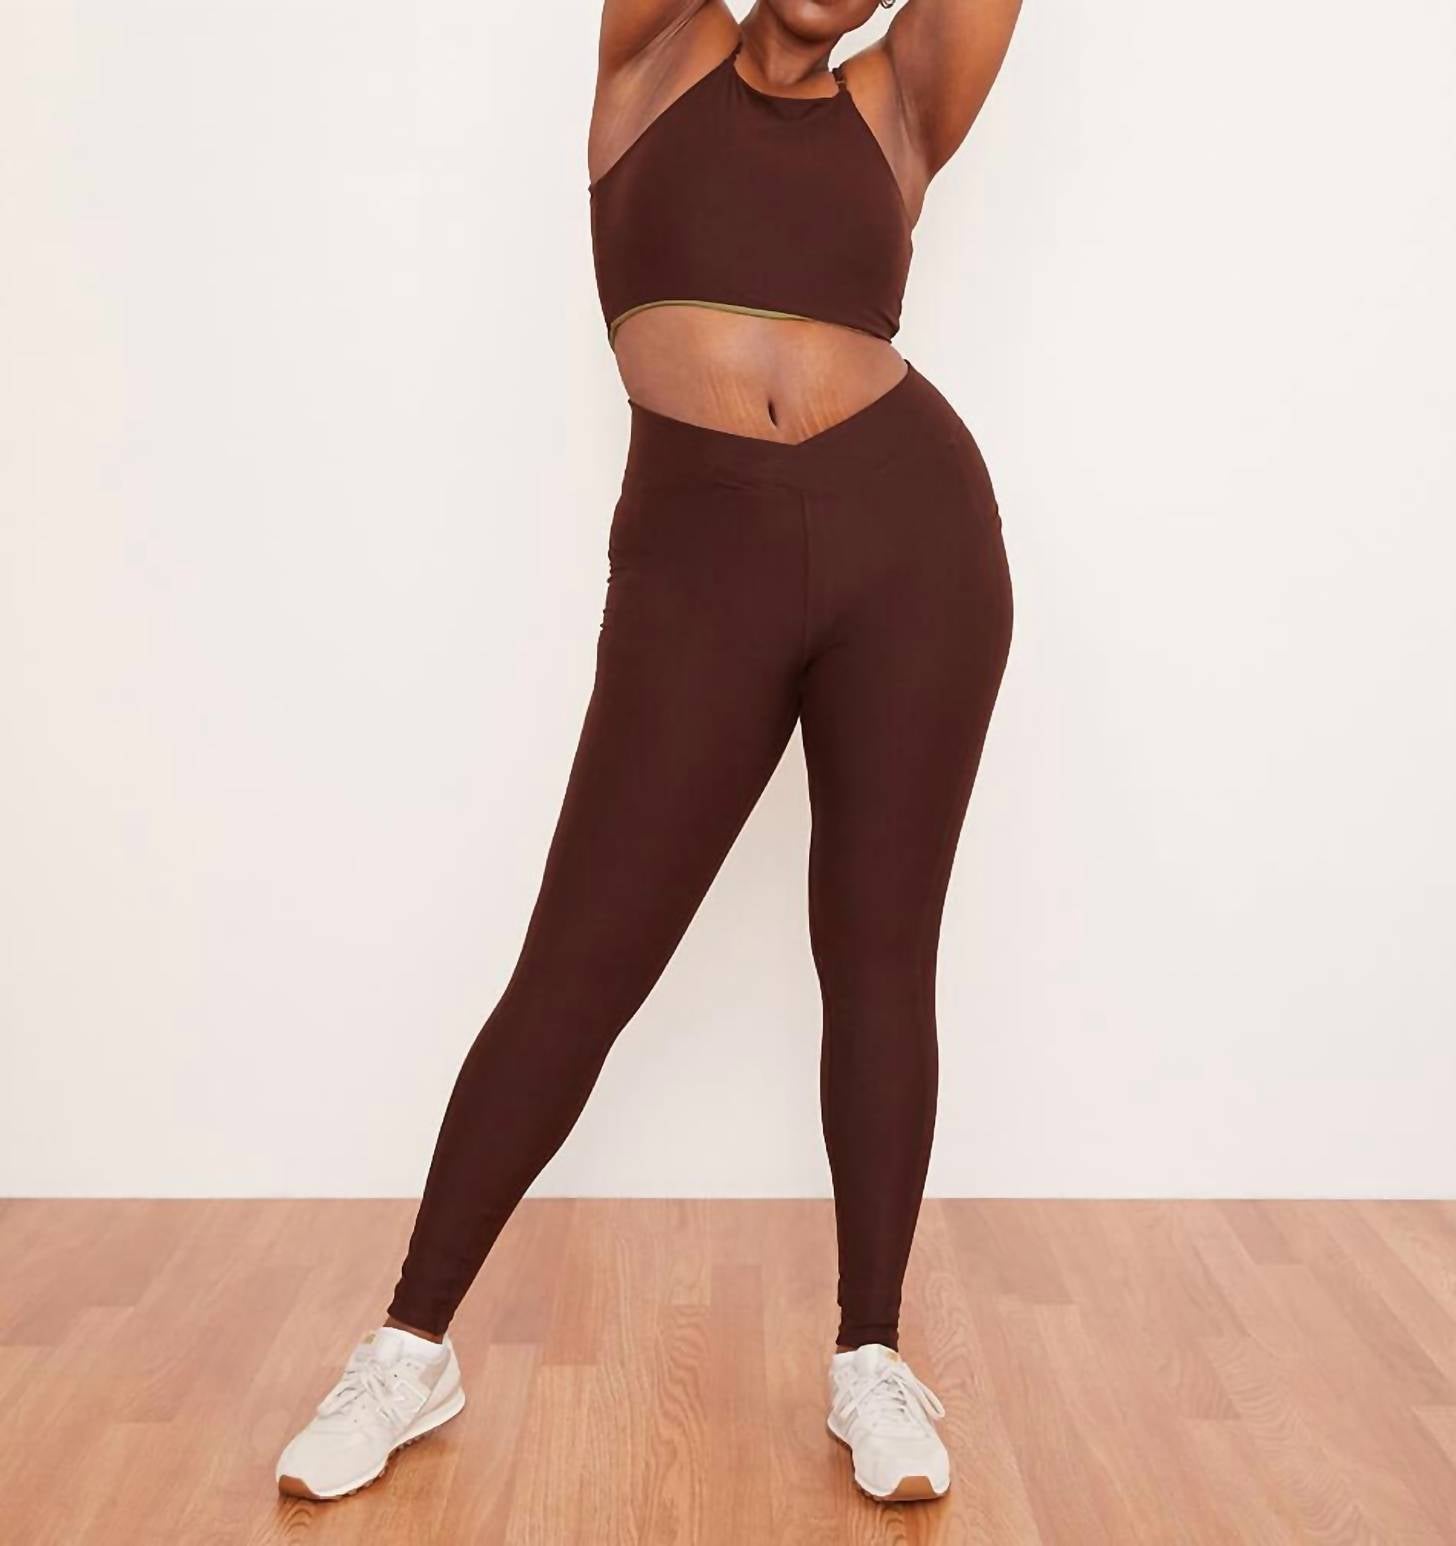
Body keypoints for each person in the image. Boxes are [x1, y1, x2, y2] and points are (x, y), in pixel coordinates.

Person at [276, 0, 1023, 1507]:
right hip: (701, 563)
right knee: (580, 962)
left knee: (879, 952)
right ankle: (409, 1346)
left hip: (914, 544)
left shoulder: (896, 109)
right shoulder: (655, 59)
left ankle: (871, 1354)